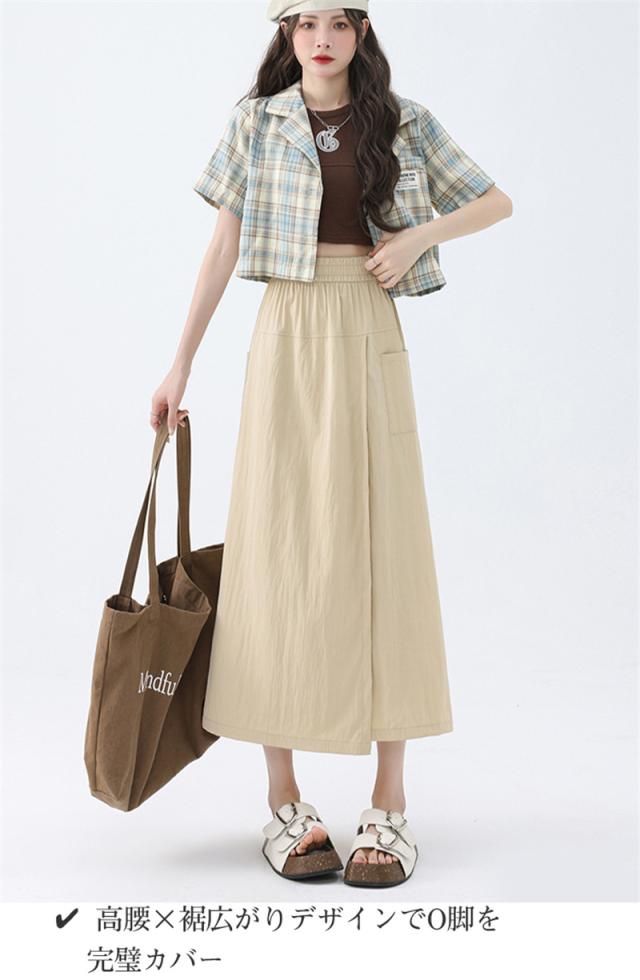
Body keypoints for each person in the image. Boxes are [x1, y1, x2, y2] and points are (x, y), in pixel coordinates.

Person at [150, 1, 512, 887]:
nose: (321, 38)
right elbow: (223, 244)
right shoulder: (256, 122)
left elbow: (495, 201)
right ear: (286, 33)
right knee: (276, 551)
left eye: (339, 22)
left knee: (385, 548)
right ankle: (285, 801)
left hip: (370, 329)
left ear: (361, 33)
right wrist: (179, 365)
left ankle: (389, 801)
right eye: (304, 22)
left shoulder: (402, 120)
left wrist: (418, 236)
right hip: (286, 331)